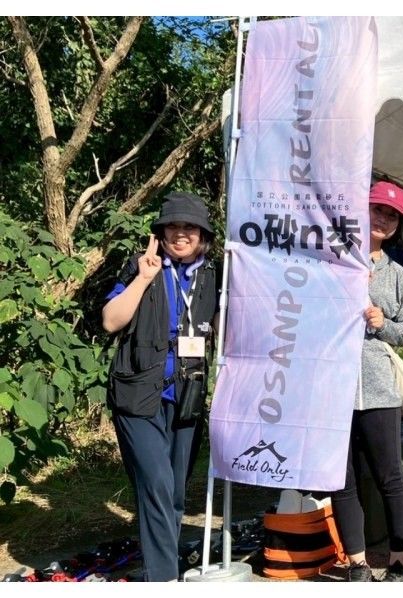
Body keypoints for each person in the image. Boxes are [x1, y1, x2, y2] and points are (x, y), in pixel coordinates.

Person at [102, 192, 219, 581]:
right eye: (173, 226)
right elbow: (111, 321)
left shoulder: (213, 275)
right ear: (160, 231)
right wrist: (144, 277)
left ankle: (159, 568)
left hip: (187, 394)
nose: (181, 233)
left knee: (173, 494)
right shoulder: (141, 266)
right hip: (138, 392)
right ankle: (165, 580)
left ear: (202, 234)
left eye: (189, 227)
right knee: (155, 483)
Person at [331, 181, 403, 582]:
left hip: (379, 388)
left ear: (399, 225)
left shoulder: (398, 274)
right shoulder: (332, 260)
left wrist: (384, 324)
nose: (383, 219)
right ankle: (357, 562)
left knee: (390, 476)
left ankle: (399, 560)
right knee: (341, 478)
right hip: (332, 387)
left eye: (392, 215)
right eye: (377, 210)